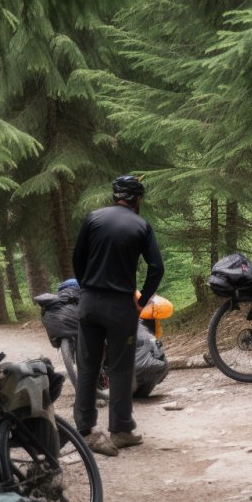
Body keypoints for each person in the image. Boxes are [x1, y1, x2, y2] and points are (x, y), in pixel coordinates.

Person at [71, 175, 164, 456]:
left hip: (89, 303)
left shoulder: (93, 218)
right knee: (121, 369)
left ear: (116, 196)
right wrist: (142, 301)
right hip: (121, 306)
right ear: (137, 199)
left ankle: (84, 430)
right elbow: (156, 268)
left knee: (88, 366)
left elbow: (77, 258)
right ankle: (121, 430)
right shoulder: (141, 225)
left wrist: (87, 287)